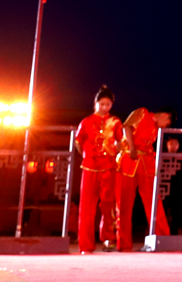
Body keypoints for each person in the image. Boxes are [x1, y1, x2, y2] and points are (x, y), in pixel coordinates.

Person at [116, 106, 175, 251]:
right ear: (165, 116)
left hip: (146, 164)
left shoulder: (155, 128)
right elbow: (127, 126)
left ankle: (161, 238)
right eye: (167, 124)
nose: (164, 127)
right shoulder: (142, 113)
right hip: (130, 160)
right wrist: (132, 147)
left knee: (154, 201)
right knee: (124, 203)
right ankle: (124, 244)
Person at [74, 86, 122, 254]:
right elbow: (78, 142)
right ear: (95, 103)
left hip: (109, 167)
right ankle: (86, 245)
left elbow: (120, 142)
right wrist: (88, 156)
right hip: (90, 167)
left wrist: (113, 154)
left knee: (108, 204)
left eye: (107, 105)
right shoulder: (86, 122)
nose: (104, 107)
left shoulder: (115, 122)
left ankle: (108, 238)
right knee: (86, 207)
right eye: (101, 104)